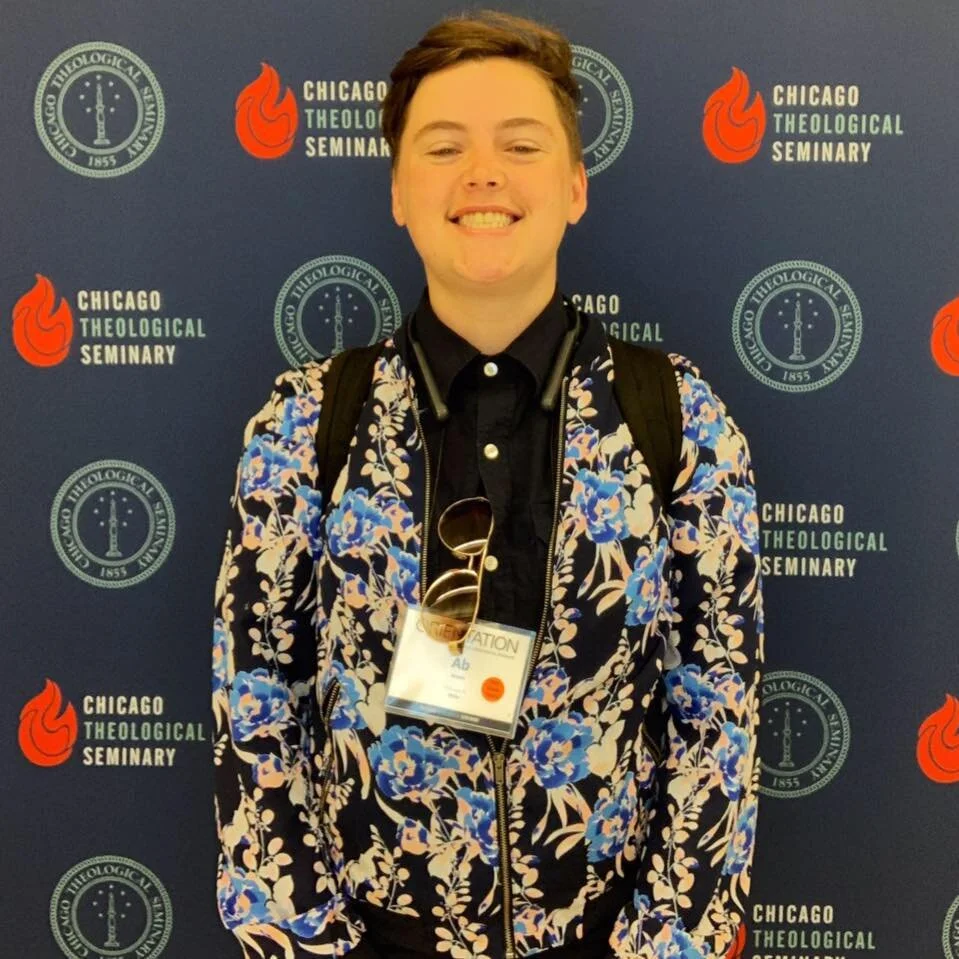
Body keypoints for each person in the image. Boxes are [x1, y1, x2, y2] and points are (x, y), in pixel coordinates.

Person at [212, 10, 764, 959]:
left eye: (520, 144)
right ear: (396, 191)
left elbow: (717, 704)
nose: (483, 174)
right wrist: (310, 942)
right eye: (442, 147)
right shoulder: (308, 420)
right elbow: (257, 694)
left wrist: (662, 942)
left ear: (575, 186)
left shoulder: (673, 414)